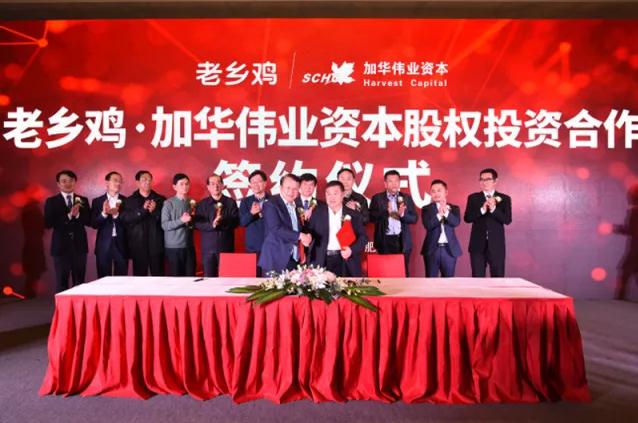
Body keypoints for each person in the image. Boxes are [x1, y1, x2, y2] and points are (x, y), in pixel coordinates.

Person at [44, 170, 91, 292]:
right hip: (61, 248)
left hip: (79, 247)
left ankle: (79, 305)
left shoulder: (82, 200)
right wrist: (69, 216)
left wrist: (78, 215)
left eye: (70, 180)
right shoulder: (51, 201)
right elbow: (48, 223)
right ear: (58, 184)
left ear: (75, 182)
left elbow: (89, 221)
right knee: (62, 282)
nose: (68, 183)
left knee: (79, 283)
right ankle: (62, 305)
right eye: (64, 181)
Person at [308, 181, 367, 276]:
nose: (332, 197)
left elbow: (363, 238)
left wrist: (351, 250)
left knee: (345, 285)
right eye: (328, 194)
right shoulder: (316, 213)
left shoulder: (354, 215)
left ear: (342, 195)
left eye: (335, 193)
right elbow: (309, 233)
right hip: (322, 260)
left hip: (345, 260)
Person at [258, 174, 312, 274]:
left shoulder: (297, 206)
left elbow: (298, 228)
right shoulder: (271, 204)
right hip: (275, 259)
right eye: (288, 188)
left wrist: (307, 236)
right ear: (280, 188)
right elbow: (275, 228)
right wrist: (300, 236)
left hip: (295, 258)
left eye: (295, 189)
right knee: (273, 285)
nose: (291, 192)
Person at [464, 168, 512, 277]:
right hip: (477, 245)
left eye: (488, 179)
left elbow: (507, 220)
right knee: (477, 278)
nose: (484, 182)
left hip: (496, 246)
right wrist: (482, 210)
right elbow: (467, 218)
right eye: (481, 179)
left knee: (498, 278)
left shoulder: (505, 198)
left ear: (495, 181)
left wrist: (494, 209)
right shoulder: (473, 198)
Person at [369, 170, 418, 276]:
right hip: (384, 240)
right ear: (385, 184)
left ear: (399, 183)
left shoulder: (406, 198)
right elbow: (371, 218)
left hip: (402, 240)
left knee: (402, 272)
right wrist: (385, 212)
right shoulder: (377, 198)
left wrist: (402, 214)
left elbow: (414, 218)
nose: (394, 184)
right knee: (385, 272)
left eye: (396, 181)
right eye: (390, 181)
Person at [121, 170, 165, 276]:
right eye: (144, 179)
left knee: (159, 276)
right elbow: (125, 219)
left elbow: (166, 221)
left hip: (157, 244)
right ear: (137, 182)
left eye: (149, 180)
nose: (147, 182)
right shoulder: (129, 200)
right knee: (139, 277)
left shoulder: (160, 199)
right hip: (137, 245)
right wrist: (142, 211)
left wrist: (154, 211)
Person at [195, 174, 239, 277]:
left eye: (218, 183)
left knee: (227, 278)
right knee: (209, 279)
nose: (216, 186)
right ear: (208, 187)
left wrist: (222, 222)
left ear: (222, 185)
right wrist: (212, 225)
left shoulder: (230, 202)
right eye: (212, 184)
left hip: (226, 247)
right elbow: (197, 224)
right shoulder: (202, 204)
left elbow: (236, 222)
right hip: (208, 249)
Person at [420, 179, 462, 277]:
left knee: (448, 281)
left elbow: (455, 222)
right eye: (433, 191)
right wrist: (439, 215)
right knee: (430, 281)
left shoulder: (454, 208)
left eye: (439, 190)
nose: (436, 194)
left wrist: (446, 212)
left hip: (449, 250)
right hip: (432, 249)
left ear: (446, 192)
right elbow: (428, 225)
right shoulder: (426, 209)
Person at [91, 171, 128, 278]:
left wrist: (116, 215)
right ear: (107, 182)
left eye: (120, 181)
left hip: (122, 244)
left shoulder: (127, 201)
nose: (118, 183)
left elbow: (129, 223)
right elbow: (94, 224)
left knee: (121, 279)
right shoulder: (97, 201)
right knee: (103, 279)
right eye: (115, 180)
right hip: (103, 245)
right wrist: (104, 214)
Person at [161, 173, 196, 276]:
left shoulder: (192, 202)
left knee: (191, 277)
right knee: (176, 278)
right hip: (174, 247)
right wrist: (181, 220)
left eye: (187, 184)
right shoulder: (168, 203)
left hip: (189, 246)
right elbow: (165, 225)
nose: (185, 186)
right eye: (181, 184)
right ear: (174, 187)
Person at [239, 170, 271, 275]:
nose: (256, 185)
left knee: (270, 279)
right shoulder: (245, 202)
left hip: (270, 246)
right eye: (253, 182)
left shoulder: (274, 200)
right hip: (253, 247)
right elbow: (242, 222)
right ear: (250, 185)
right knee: (253, 278)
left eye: (259, 181)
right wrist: (251, 213)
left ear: (265, 183)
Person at [613, 185, 638, 300]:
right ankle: (620, 300)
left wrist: (617, 229)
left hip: (636, 249)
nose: (629, 198)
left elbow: (633, 230)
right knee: (628, 272)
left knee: (625, 273)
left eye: (631, 196)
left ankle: (619, 301)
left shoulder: (635, 212)